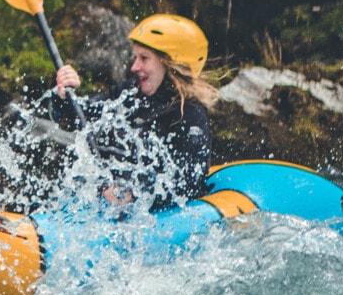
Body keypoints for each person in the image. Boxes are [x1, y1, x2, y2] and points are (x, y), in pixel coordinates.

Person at [49, 14, 217, 208]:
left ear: (171, 64)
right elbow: (79, 118)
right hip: (107, 205)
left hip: (156, 218)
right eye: (136, 57)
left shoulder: (191, 114)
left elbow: (189, 183)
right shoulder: (129, 94)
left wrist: (133, 192)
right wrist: (64, 96)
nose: (134, 66)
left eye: (144, 58)